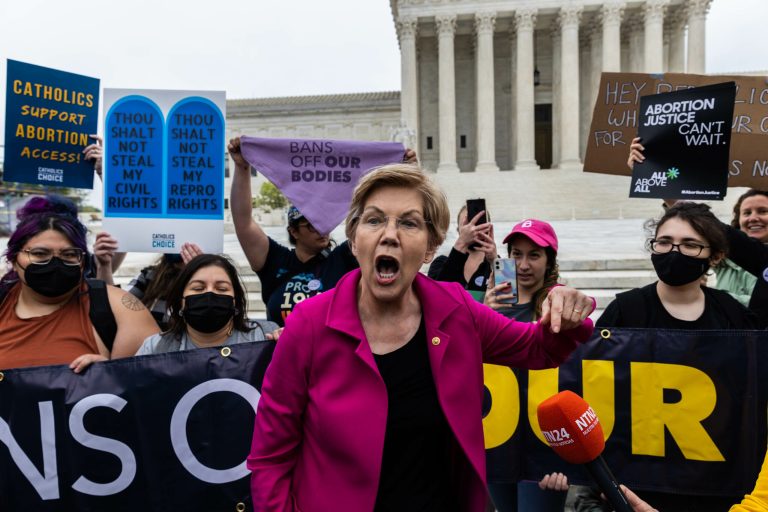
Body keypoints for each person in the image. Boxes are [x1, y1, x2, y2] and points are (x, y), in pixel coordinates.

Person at [246, 163, 596, 511]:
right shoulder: (308, 323)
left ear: (431, 248)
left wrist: (566, 308)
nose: (389, 234)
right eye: (374, 219)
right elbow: (270, 457)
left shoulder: (457, 310)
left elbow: (539, 349)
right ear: (354, 241)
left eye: (409, 223)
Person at [228, 136, 417, 326]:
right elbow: (243, 222)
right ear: (294, 232)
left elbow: (385, 219)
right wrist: (242, 168)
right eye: (312, 225)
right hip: (284, 352)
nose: (322, 228)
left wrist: (406, 173)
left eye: (324, 220)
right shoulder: (274, 261)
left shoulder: (345, 258)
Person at [0, 196, 159, 373]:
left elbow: (155, 383)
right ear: (14, 260)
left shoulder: (121, 309)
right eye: (39, 253)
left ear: (83, 260)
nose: (54, 263)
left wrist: (114, 376)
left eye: (69, 254)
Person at [483, 218, 570, 511]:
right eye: (516, 254)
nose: (523, 265)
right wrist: (485, 316)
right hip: (500, 438)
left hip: (544, 446)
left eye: (534, 255)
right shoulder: (496, 302)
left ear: (549, 261)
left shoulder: (561, 306)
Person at [596, 201, 755, 330]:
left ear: (715, 257)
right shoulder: (625, 310)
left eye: (690, 245)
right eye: (664, 242)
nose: (674, 252)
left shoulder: (730, 311)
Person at [136, 254, 279, 354]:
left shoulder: (264, 336)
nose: (209, 294)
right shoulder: (154, 348)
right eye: (198, 288)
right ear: (180, 301)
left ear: (236, 301)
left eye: (222, 289)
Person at [127, 243, 204, 330]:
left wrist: (199, 273)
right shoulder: (150, 275)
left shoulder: (211, 279)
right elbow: (120, 306)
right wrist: (108, 267)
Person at [427, 204, 496, 301]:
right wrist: (461, 243)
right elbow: (435, 298)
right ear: (458, 230)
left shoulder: (496, 264)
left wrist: (494, 261)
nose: (473, 229)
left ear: (488, 228)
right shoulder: (441, 263)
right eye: (467, 225)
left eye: (478, 223)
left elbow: (510, 298)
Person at [712, 189, 768, 305]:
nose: (753, 218)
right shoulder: (718, 260)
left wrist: (711, 297)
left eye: (763, 211)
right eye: (747, 213)